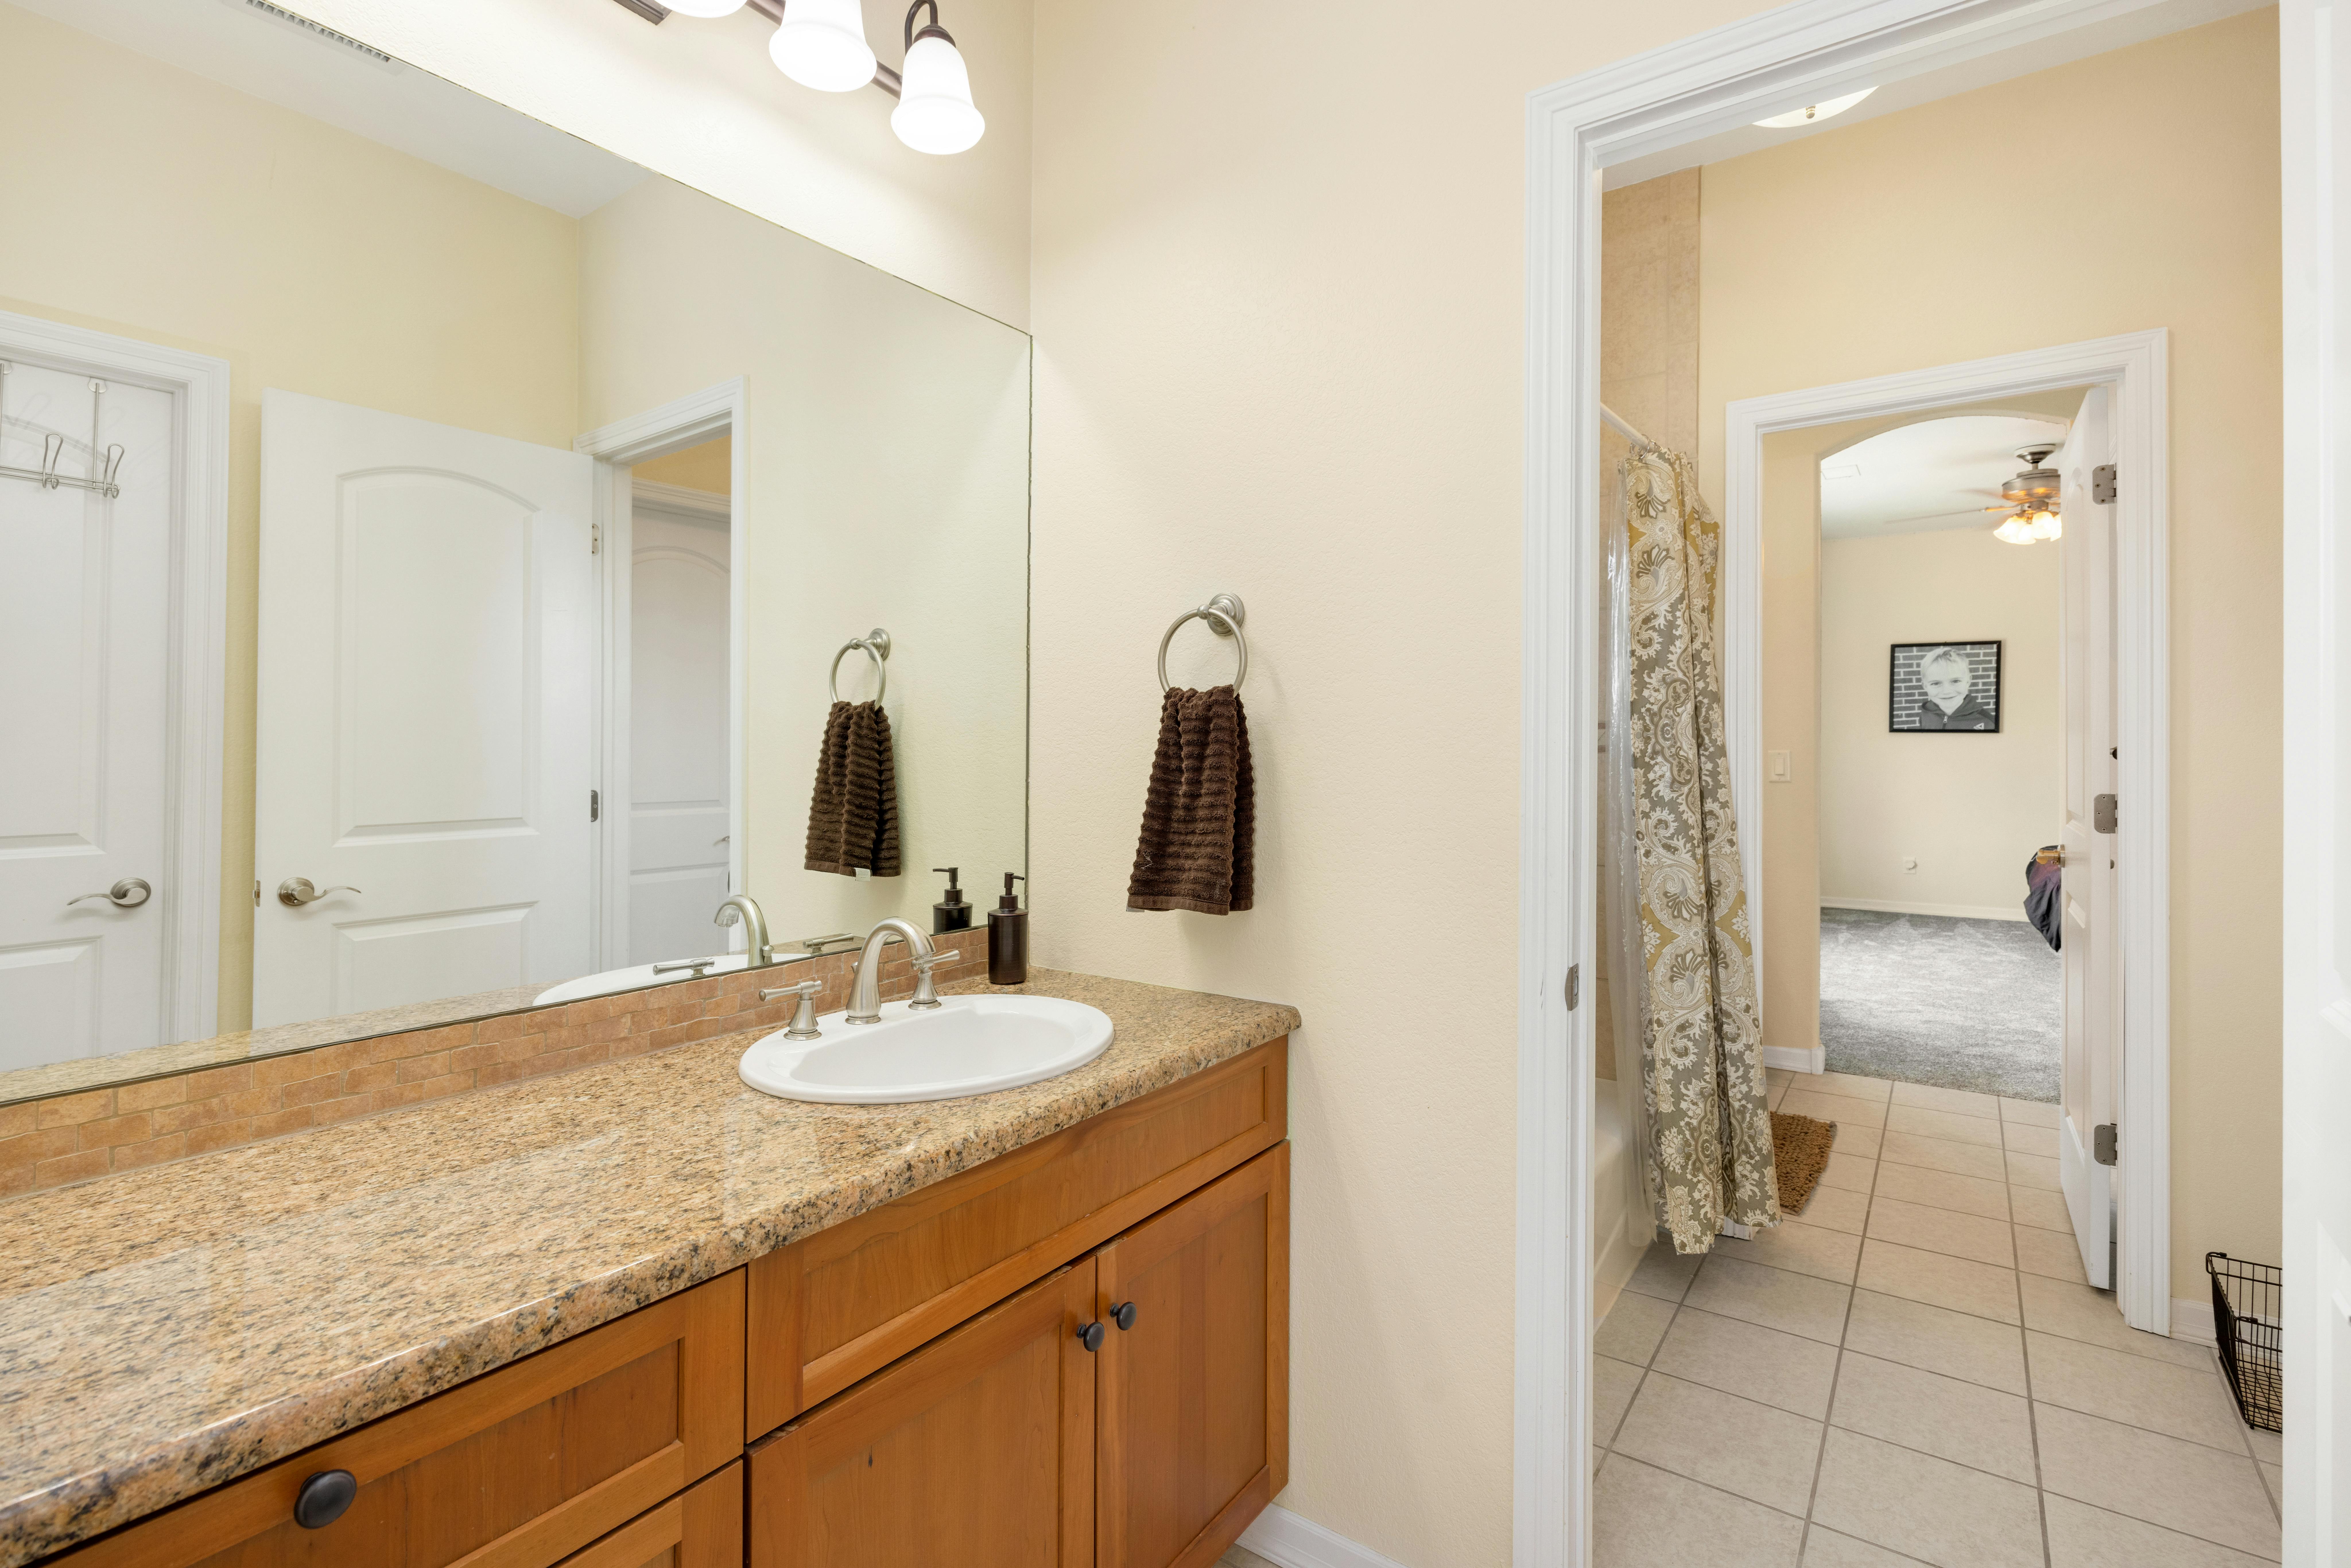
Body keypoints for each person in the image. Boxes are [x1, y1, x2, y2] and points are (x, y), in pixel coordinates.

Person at [1913, 646, 1994, 730]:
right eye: (1936, 683)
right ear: (1925, 686)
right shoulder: (1926, 714)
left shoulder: (1987, 722)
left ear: (1968, 681)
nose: (1947, 692)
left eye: (1956, 681)